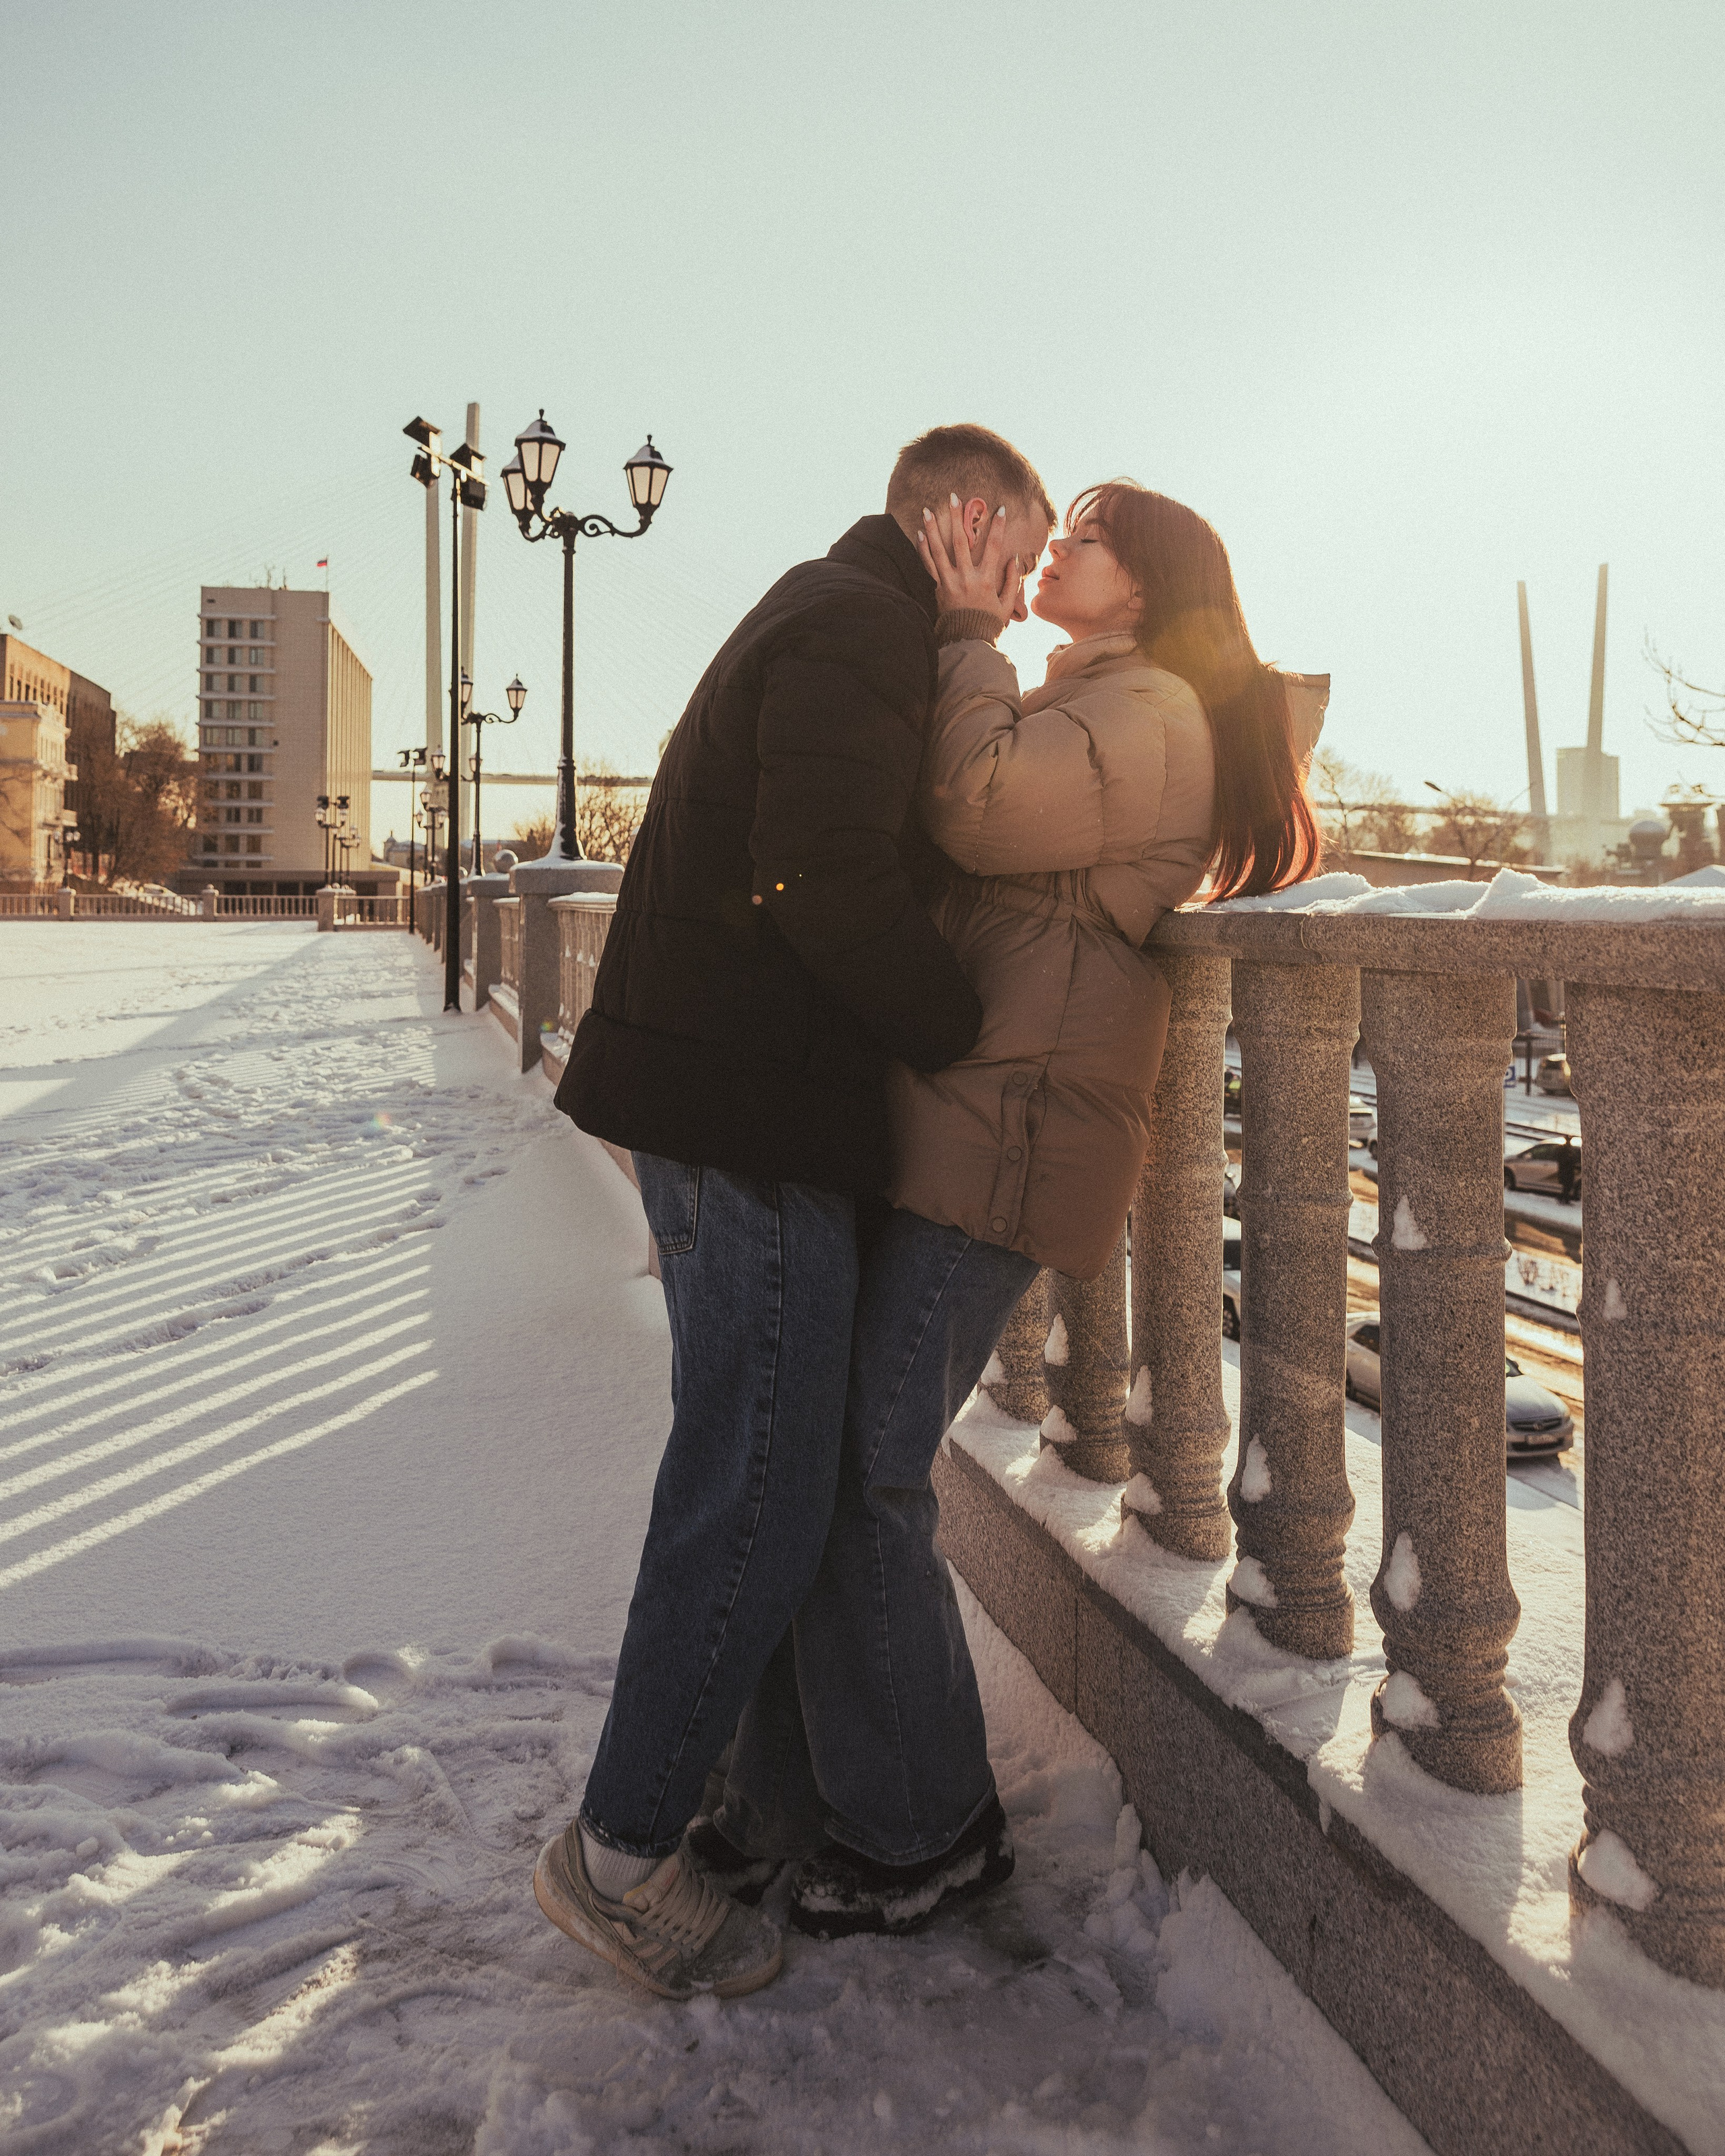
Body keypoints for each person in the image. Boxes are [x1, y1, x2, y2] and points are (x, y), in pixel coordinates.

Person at [691, 480, 1324, 1938]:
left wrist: (967, 624)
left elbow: (972, 810)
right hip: (970, 1119)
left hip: (1013, 1132)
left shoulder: (1149, 707)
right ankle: (790, 1804)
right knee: (837, 1473)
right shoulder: (1100, 697)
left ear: (1151, 584)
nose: (1058, 548)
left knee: (865, 1475)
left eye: (1089, 534)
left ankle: (928, 1824)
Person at [531, 425, 1056, 2000]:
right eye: (1014, 558)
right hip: (745, 1114)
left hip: (741, 1109)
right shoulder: (856, 624)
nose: (1022, 599)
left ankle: (724, 1806)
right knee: (753, 1491)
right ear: (952, 521)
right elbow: (816, 874)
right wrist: (958, 1022)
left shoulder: (844, 611)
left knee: (758, 1477)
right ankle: (622, 1855)